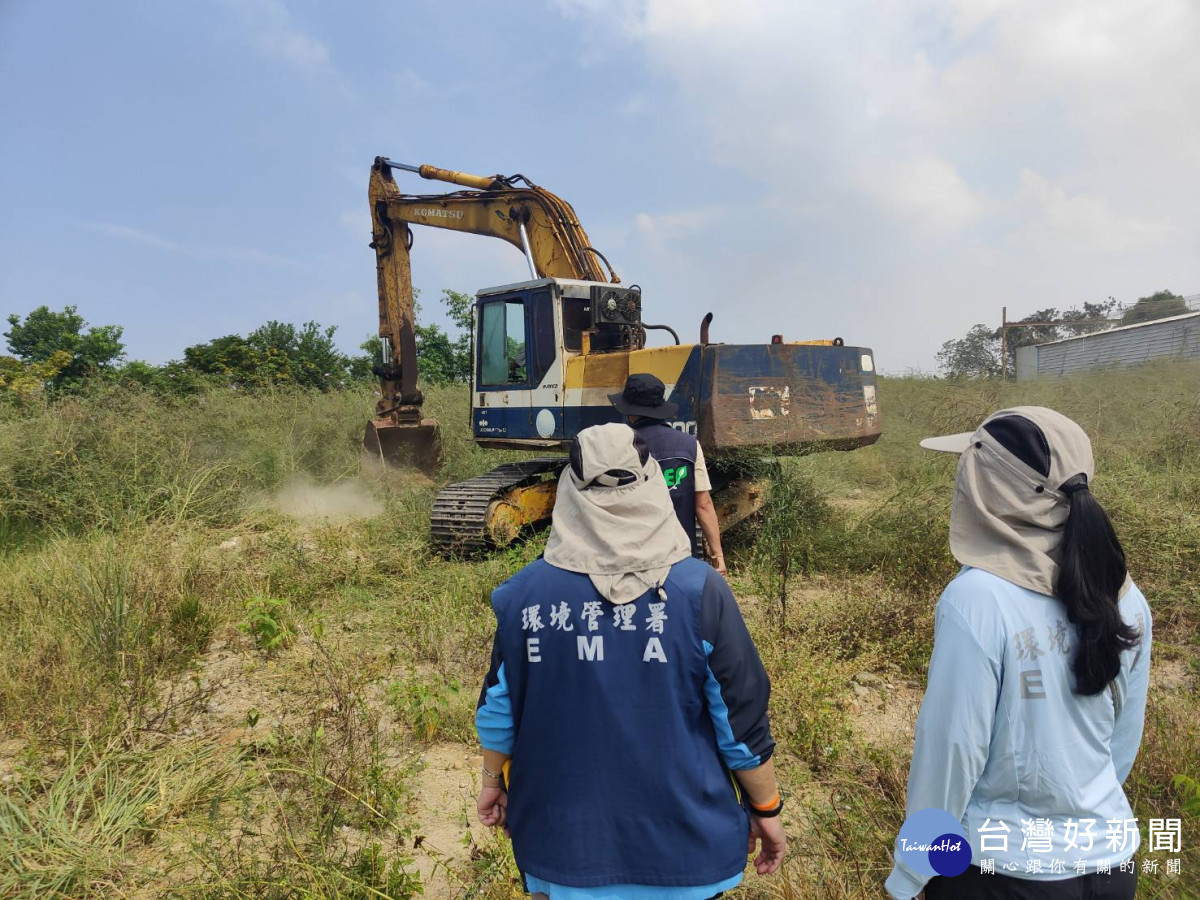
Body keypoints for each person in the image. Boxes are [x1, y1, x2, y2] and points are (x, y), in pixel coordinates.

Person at [475, 422, 786, 899]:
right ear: (652, 487)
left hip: (563, 850)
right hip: (686, 850)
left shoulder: (524, 597)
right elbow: (740, 722)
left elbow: (499, 708)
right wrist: (766, 810)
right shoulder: (701, 591)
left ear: (568, 492)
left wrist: (492, 781)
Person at [886, 407, 1151, 900]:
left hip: (1004, 876)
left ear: (988, 491)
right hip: (1111, 866)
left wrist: (915, 871)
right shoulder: (1124, 593)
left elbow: (952, 752)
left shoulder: (977, 599)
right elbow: (1122, 739)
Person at [609, 373, 726, 575]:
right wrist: (718, 557)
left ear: (629, 411)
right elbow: (704, 504)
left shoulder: (619, 448)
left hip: (633, 558)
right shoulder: (690, 445)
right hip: (681, 556)